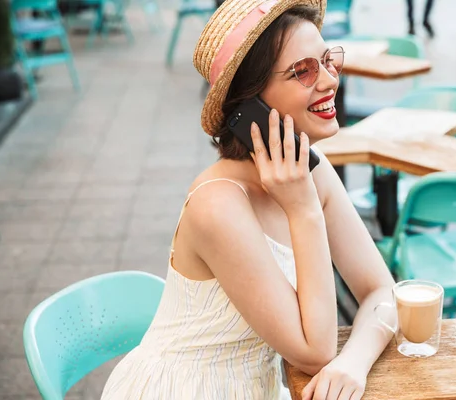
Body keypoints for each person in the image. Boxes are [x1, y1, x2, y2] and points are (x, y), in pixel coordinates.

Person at [100, 0, 396, 398]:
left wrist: (353, 363)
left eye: (328, 60)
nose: (328, 81)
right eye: (303, 71)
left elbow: (382, 291)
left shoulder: (311, 169)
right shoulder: (217, 205)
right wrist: (303, 208)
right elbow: (315, 351)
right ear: (251, 102)